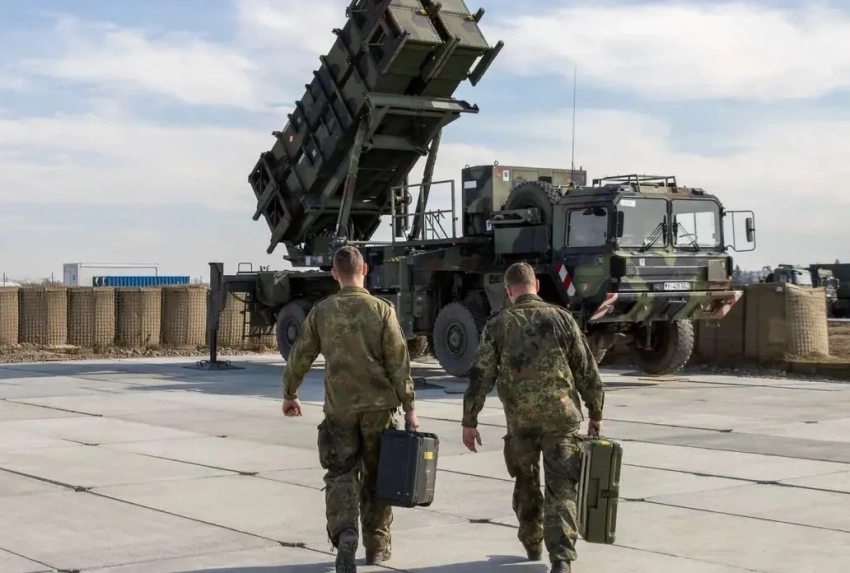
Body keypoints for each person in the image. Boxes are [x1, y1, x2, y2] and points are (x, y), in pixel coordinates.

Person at [282, 245, 419, 573]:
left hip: (339, 409)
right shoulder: (382, 310)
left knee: (340, 473)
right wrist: (410, 407)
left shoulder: (322, 311)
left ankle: (345, 532)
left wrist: (290, 393)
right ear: (365, 270)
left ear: (334, 273)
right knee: (379, 476)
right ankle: (376, 546)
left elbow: (300, 355)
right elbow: (399, 363)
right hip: (380, 408)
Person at [460, 261, 605, 573]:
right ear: (536, 285)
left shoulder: (498, 325)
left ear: (508, 291)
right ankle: (561, 558)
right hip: (561, 421)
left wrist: (470, 420)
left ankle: (532, 542)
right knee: (561, 488)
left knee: (526, 483)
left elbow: (480, 376)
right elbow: (586, 370)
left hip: (521, 423)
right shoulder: (562, 319)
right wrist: (596, 412)